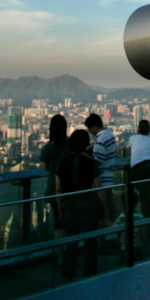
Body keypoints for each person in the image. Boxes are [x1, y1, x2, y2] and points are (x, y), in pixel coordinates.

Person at [55, 129, 104, 280]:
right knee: (91, 242)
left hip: (69, 205)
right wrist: (104, 208)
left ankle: (68, 274)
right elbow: (98, 187)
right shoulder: (90, 162)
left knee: (71, 242)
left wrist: (60, 209)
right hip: (88, 205)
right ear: (86, 144)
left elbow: (58, 189)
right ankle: (90, 274)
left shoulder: (62, 162)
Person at [38, 114, 70, 250]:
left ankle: (60, 256)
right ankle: (71, 254)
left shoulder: (47, 148)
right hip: (69, 185)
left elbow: (45, 168)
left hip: (53, 187)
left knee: (58, 222)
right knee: (70, 222)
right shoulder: (70, 144)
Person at [128, 119, 150, 226]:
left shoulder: (132, 138)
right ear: (149, 130)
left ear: (138, 128)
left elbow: (130, 153)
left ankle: (145, 227)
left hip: (137, 169)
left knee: (143, 199)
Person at [84, 113, 116, 221]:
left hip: (102, 179)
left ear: (94, 127)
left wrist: (85, 156)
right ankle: (117, 233)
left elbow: (99, 161)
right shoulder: (110, 134)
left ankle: (105, 235)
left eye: (89, 129)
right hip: (110, 177)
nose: (89, 132)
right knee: (111, 207)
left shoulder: (101, 139)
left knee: (103, 210)